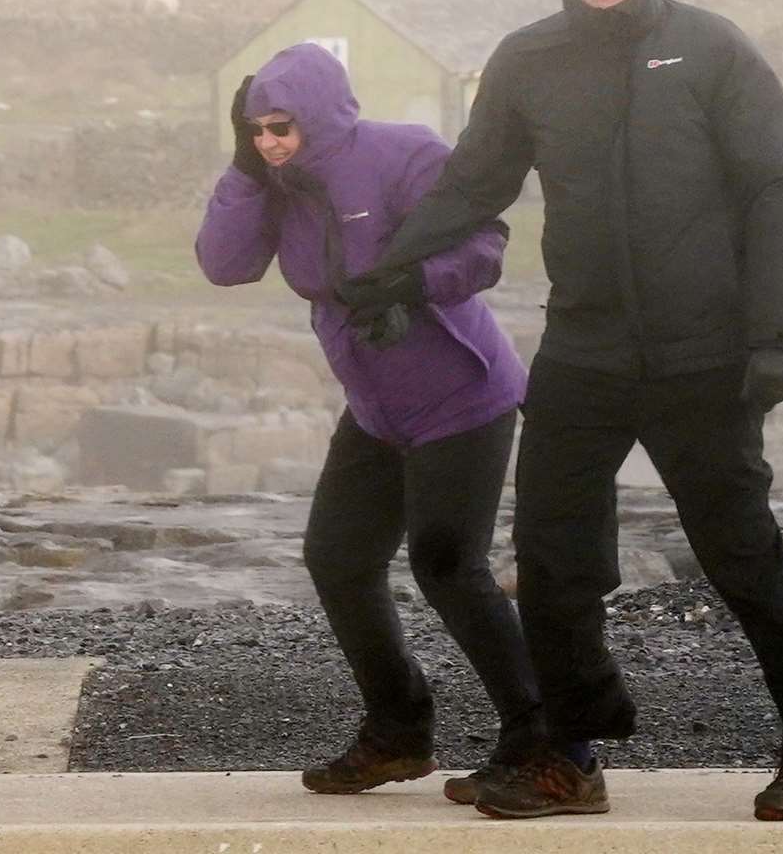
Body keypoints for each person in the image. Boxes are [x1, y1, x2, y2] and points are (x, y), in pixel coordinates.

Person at [341, 0, 783, 821]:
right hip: (582, 354)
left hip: (703, 356)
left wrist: (776, 340)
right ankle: (568, 758)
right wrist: (396, 269)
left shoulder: (712, 51)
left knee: (742, 555)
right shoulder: (528, 61)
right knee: (554, 560)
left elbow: (775, 187)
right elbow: (472, 183)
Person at [195, 42, 539, 804]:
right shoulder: (277, 183)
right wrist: (249, 175)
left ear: (315, 114)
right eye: (255, 131)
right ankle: (398, 732)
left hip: (462, 393)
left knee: (448, 565)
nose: (270, 142)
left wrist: (413, 283)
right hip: (376, 409)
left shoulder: (403, 152)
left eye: (280, 127)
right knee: (339, 557)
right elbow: (223, 265)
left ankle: (538, 739)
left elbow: (485, 244)